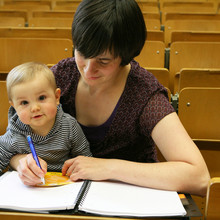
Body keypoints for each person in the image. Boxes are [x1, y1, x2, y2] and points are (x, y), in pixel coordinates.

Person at [10, 0, 210, 196]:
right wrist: (22, 162)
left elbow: (198, 178)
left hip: (128, 201)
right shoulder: (61, 77)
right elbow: (13, 140)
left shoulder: (144, 94)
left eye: (103, 61)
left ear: (125, 56)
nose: (88, 70)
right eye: (82, 53)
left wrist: (108, 168)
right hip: (62, 198)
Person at [0, 62, 92, 184]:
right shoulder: (13, 134)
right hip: (27, 189)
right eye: (24, 103)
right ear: (14, 106)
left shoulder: (69, 126)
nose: (34, 108)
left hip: (64, 187)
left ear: (56, 97)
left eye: (42, 98)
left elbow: (86, 159)